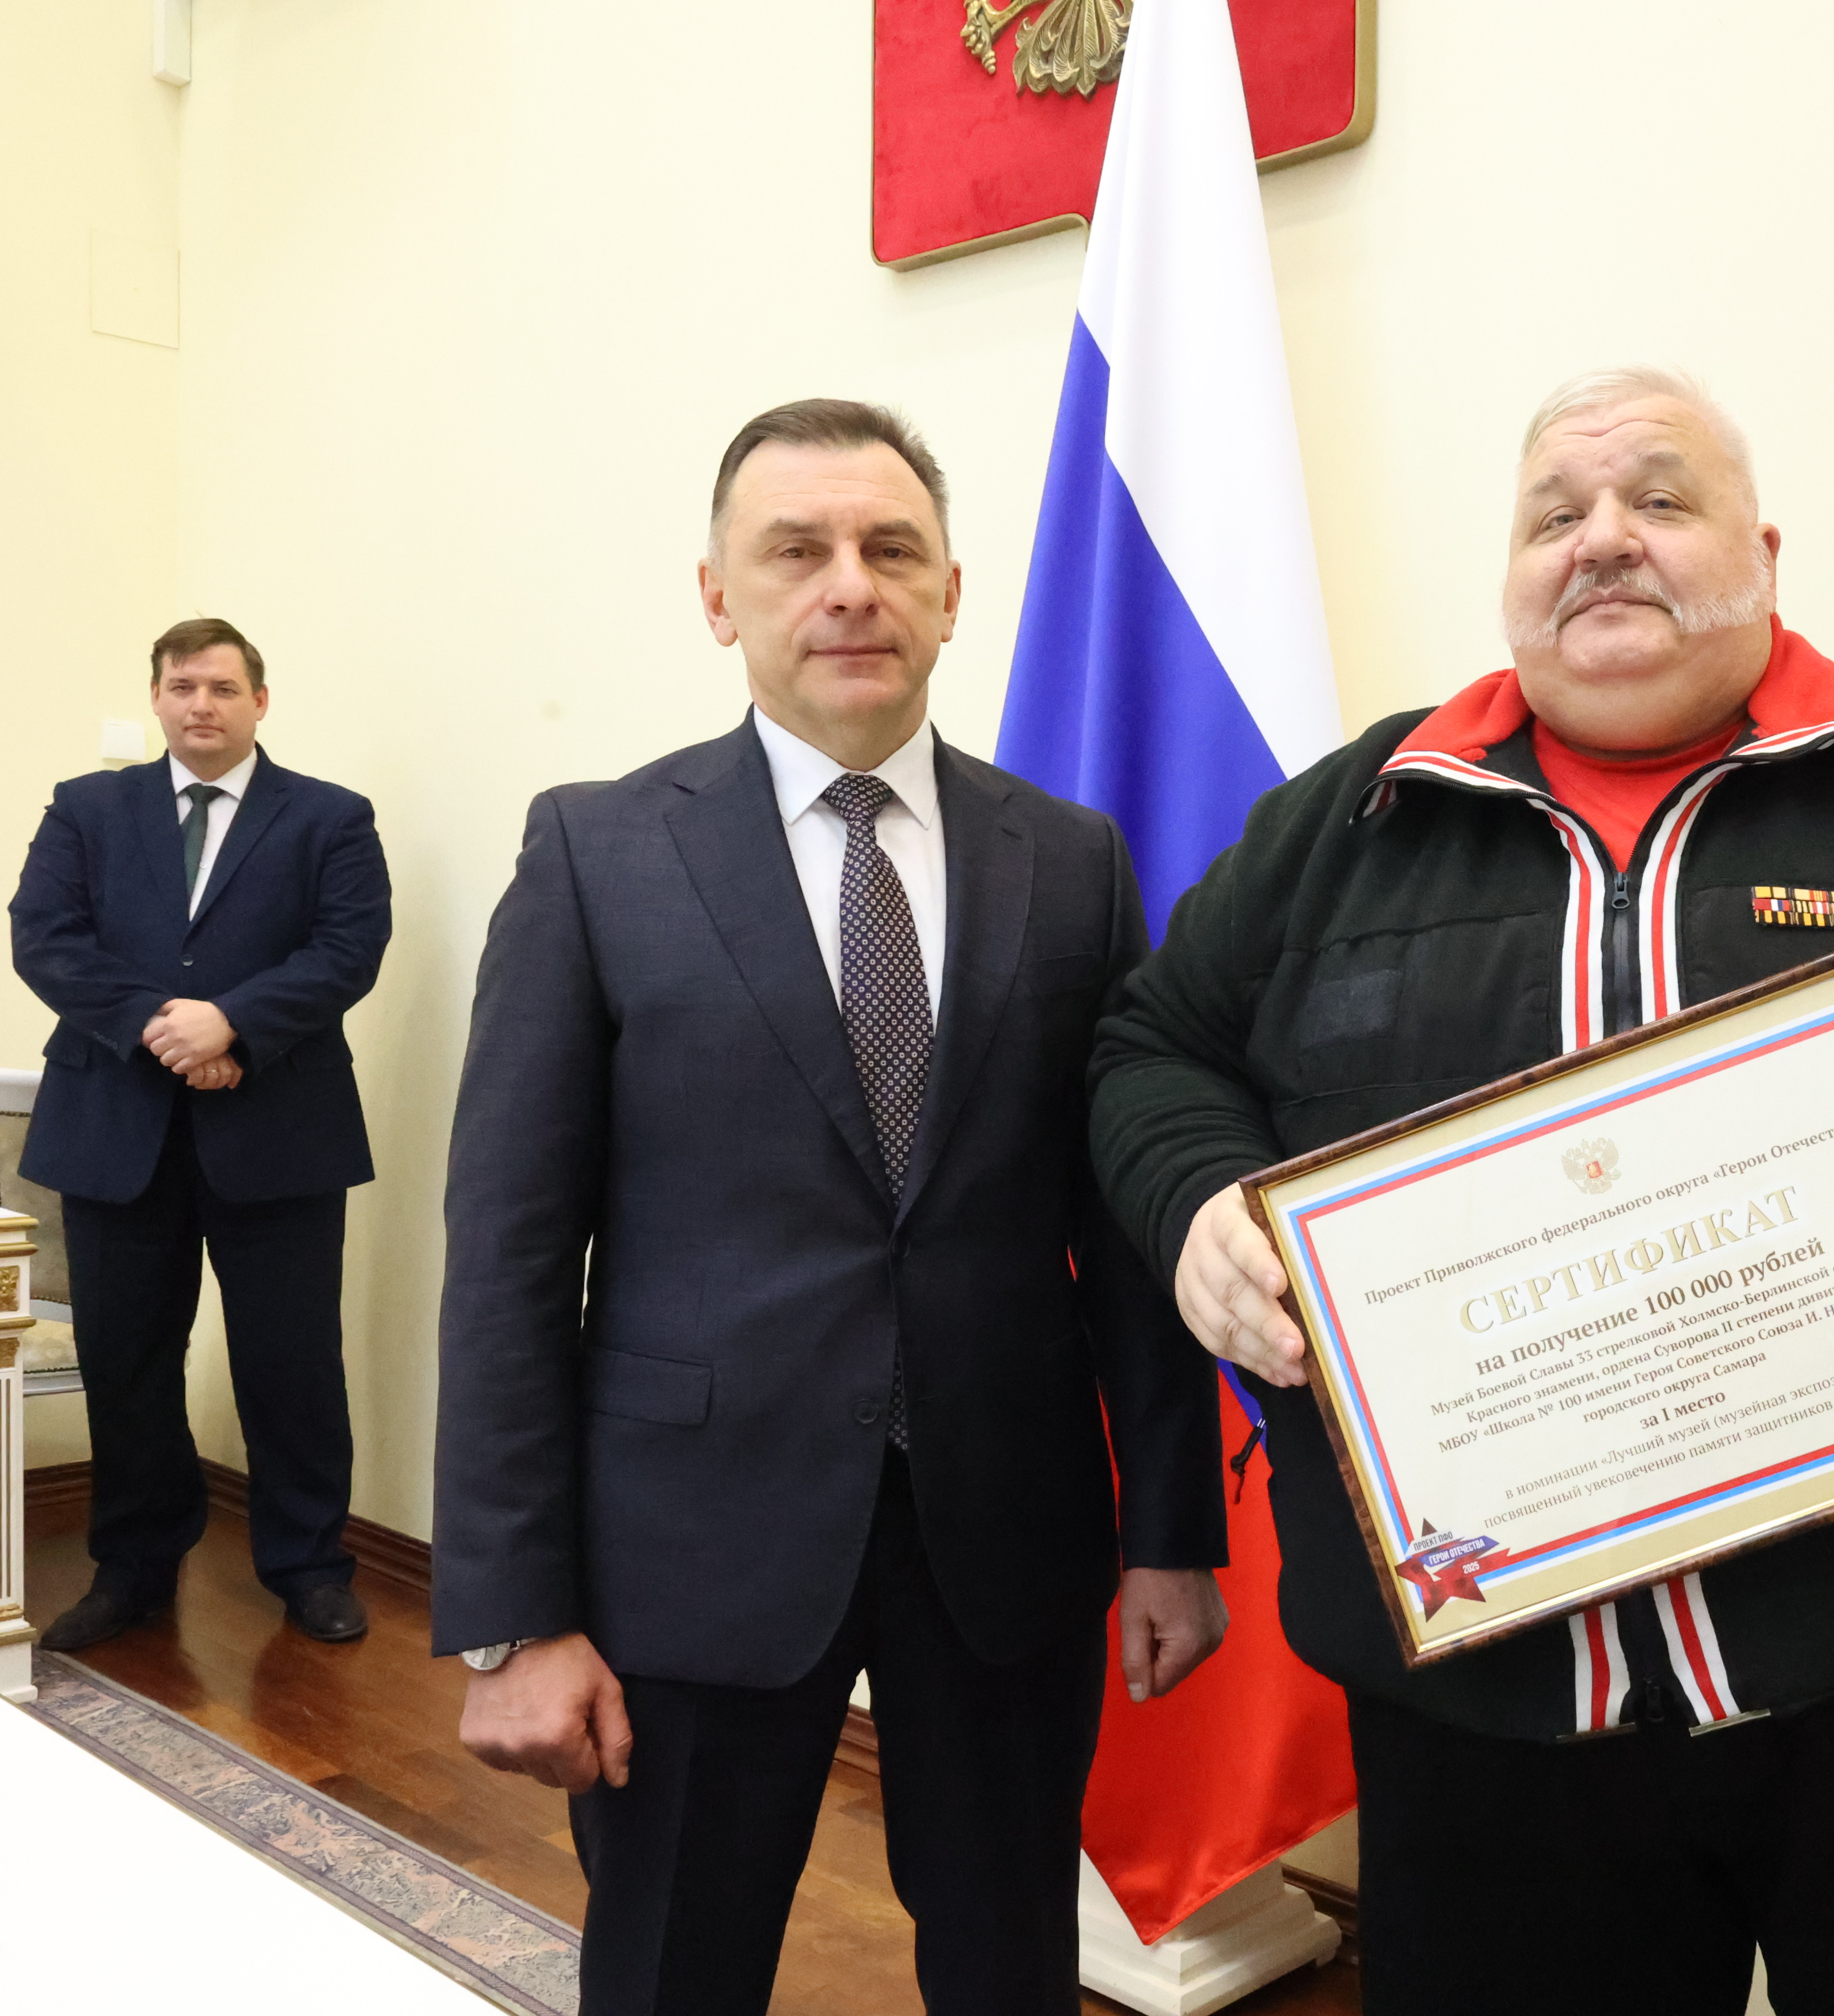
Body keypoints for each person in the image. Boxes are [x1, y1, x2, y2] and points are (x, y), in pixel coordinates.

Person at [1089, 367, 1834, 2013]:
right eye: (1553, 515)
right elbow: (1151, 1050)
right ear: (1511, 574)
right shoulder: (1344, 830)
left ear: (1764, 552)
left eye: (1660, 498)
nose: (1603, 540)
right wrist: (1198, 1204)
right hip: (1497, 1733)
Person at [433, 398, 1228, 2016]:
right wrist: (513, 1617)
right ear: (718, 597)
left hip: (1005, 1540)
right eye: (796, 551)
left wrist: (1171, 1531)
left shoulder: (1070, 862)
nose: (850, 585)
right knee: (674, 1966)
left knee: (1011, 1965)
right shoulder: (597, 852)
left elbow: (1123, 1233)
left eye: (891, 549)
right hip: (690, 1550)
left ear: (953, 593)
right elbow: (508, 1255)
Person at [11, 617, 394, 1651]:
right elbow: (45, 939)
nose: (201, 705)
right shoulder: (87, 809)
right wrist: (166, 1029)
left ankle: (309, 1567)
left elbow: (350, 948)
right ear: (157, 698)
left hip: (280, 1133)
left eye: (223, 688)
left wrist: (235, 1025)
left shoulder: (329, 817)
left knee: (291, 1363)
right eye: (182, 686)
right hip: (115, 1130)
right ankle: (132, 1569)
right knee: (128, 1361)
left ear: (260, 702)